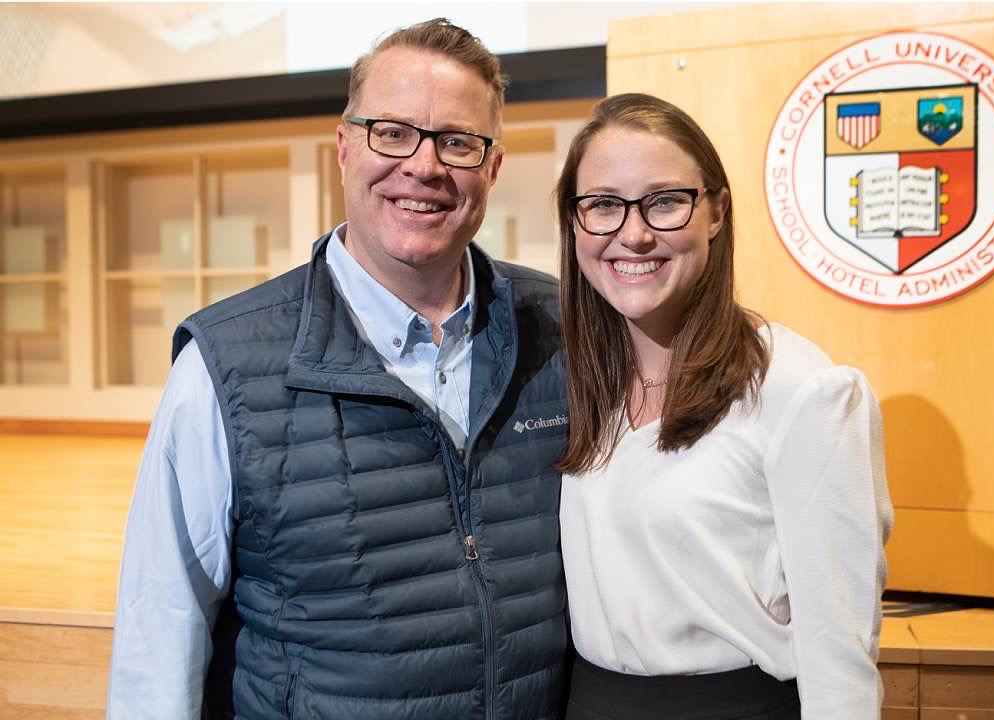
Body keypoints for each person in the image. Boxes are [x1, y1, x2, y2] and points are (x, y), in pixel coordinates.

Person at [107, 19, 570, 720]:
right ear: (345, 147)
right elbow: (161, 625)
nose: (424, 165)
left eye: (457, 141)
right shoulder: (224, 366)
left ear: (493, 166)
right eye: (392, 132)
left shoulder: (564, 330)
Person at [554, 93, 894, 720]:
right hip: (593, 701)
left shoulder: (800, 390)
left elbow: (839, 653)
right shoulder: (582, 382)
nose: (632, 233)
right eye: (602, 204)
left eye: (664, 201)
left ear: (715, 211)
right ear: (574, 221)